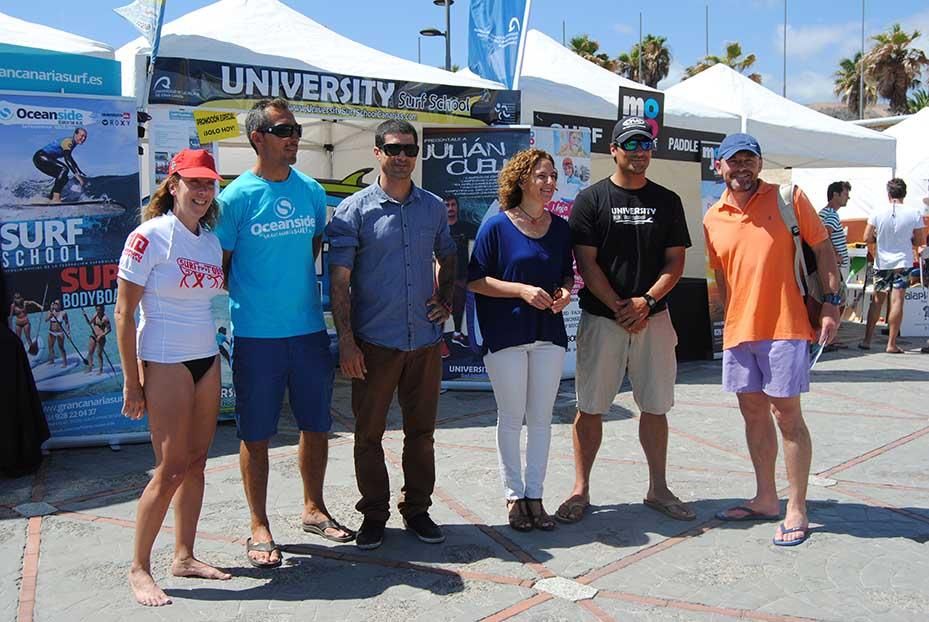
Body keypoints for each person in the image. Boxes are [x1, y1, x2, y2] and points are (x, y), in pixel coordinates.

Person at [215, 98, 352, 569]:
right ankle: (259, 526)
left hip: (309, 332)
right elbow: (223, 266)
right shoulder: (233, 199)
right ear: (258, 137)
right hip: (256, 337)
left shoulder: (312, 191)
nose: (294, 136)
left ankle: (313, 509)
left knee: (317, 426)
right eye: (284, 129)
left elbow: (313, 247)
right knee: (256, 434)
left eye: (296, 129)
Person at [556, 117, 695, 525]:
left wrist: (646, 301)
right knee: (591, 407)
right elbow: (586, 261)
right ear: (613, 150)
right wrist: (621, 305)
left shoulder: (667, 200)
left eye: (646, 144)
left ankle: (658, 488)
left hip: (654, 316)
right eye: (630, 144)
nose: (639, 151)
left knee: (655, 406)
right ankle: (581, 489)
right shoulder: (591, 199)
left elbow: (676, 261)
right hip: (603, 318)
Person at [703, 133, 840, 546]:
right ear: (719, 166)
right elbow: (724, 278)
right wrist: (725, 323)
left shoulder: (789, 198)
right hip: (739, 332)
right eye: (734, 161)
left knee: (787, 416)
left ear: (760, 165)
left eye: (750, 160)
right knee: (753, 414)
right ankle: (765, 498)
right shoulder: (713, 217)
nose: (742, 168)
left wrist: (832, 303)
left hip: (785, 325)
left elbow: (824, 249)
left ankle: (797, 506)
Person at [327, 119, 457, 550]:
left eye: (409, 149)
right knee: (368, 436)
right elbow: (340, 282)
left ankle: (417, 510)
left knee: (422, 435)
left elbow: (449, 254)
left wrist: (447, 296)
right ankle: (375, 514)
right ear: (377, 152)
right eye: (393, 148)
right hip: (374, 344)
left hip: (423, 341)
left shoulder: (434, 207)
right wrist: (346, 340)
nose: (402, 157)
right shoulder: (353, 211)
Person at [115, 148, 230, 606]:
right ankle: (139, 567)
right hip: (164, 359)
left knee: (198, 462)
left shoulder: (208, 240)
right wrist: (131, 380)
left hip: (206, 357)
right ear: (173, 185)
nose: (202, 191)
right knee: (169, 468)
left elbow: (209, 302)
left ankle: (184, 555)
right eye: (194, 182)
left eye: (208, 183)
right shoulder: (149, 236)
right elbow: (124, 313)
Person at [467, 148, 574, 532]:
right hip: (506, 334)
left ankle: (536, 496)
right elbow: (475, 279)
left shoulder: (561, 228)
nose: (549, 183)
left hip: (549, 334)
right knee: (511, 418)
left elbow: (565, 275)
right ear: (522, 179)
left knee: (542, 420)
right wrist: (521, 291)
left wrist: (564, 293)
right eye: (541, 176)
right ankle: (514, 495)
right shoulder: (496, 226)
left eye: (552, 178)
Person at [859, 178, 924, 353]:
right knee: (897, 301)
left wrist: (878, 239)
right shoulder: (914, 213)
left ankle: (867, 340)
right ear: (905, 193)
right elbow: (920, 240)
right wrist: (907, 239)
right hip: (902, 262)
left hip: (882, 262)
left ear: (888, 194)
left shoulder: (877, 212)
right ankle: (891, 343)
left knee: (877, 300)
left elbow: (866, 238)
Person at [445, 194, 477, 348]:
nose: (450, 208)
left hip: (462, 277)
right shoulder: (437, 228)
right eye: (447, 205)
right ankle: (439, 342)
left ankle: (457, 334)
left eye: (453, 205)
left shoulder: (468, 227)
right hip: (441, 278)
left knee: (460, 307)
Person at [33, 127, 88, 202]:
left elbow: (70, 158)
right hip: (40, 157)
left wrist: (78, 170)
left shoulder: (72, 144)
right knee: (64, 169)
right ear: (75, 134)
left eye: (85, 137)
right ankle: (56, 198)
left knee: (64, 177)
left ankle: (50, 198)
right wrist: (76, 174)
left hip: (42, 159)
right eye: (82, 136)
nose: (83, 138)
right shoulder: (68, 141)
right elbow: (67, 158)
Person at [83, 304, 111, 374]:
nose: (98, 311)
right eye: (97, 310)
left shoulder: (105, 318)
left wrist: (101, 336)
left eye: (100, 310)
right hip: (93, 335)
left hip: (100, 338)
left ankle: (100, 370)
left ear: (103, 310)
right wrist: (85, 316)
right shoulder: (95, 315)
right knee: (90, 352)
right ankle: (90, 367)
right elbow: (89, 323)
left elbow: (109, 330)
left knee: (99, 354)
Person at [46, 300, 69, 366]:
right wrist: (51, 314)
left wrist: (68, 333)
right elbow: (46, 320)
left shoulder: (63, 313)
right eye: (54, 303)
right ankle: (51, 360)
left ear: (60, 305)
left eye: (57, 304)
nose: (55, 305)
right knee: (50, 347)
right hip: (51, 332)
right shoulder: (50, 312)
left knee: (61, 347)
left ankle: (65, 362)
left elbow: (67, 323)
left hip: (60, 332)